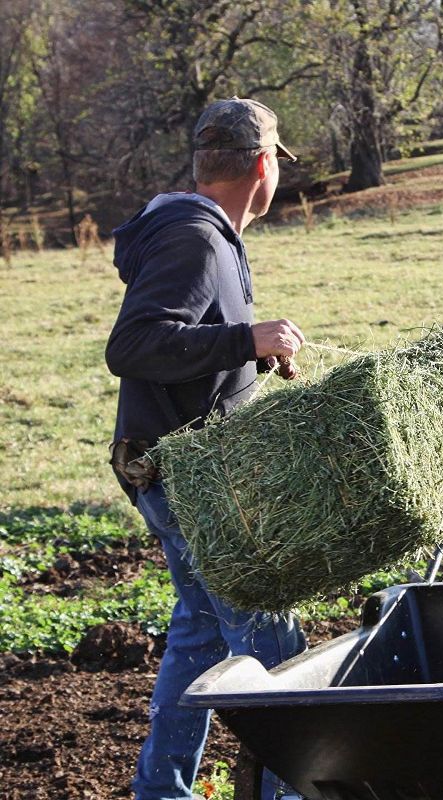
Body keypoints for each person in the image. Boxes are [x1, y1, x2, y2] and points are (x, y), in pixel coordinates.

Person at [105, 97, 307, 800]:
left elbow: (182, 344)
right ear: (261, 165)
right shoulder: (193, 236)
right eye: (276, 165)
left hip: (178, 475)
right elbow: (132, 345)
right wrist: (244, 340)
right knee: (276, 645)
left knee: (198, 634)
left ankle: (159, 791)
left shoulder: (200, 230)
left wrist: (248, 359)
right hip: (191, 483)